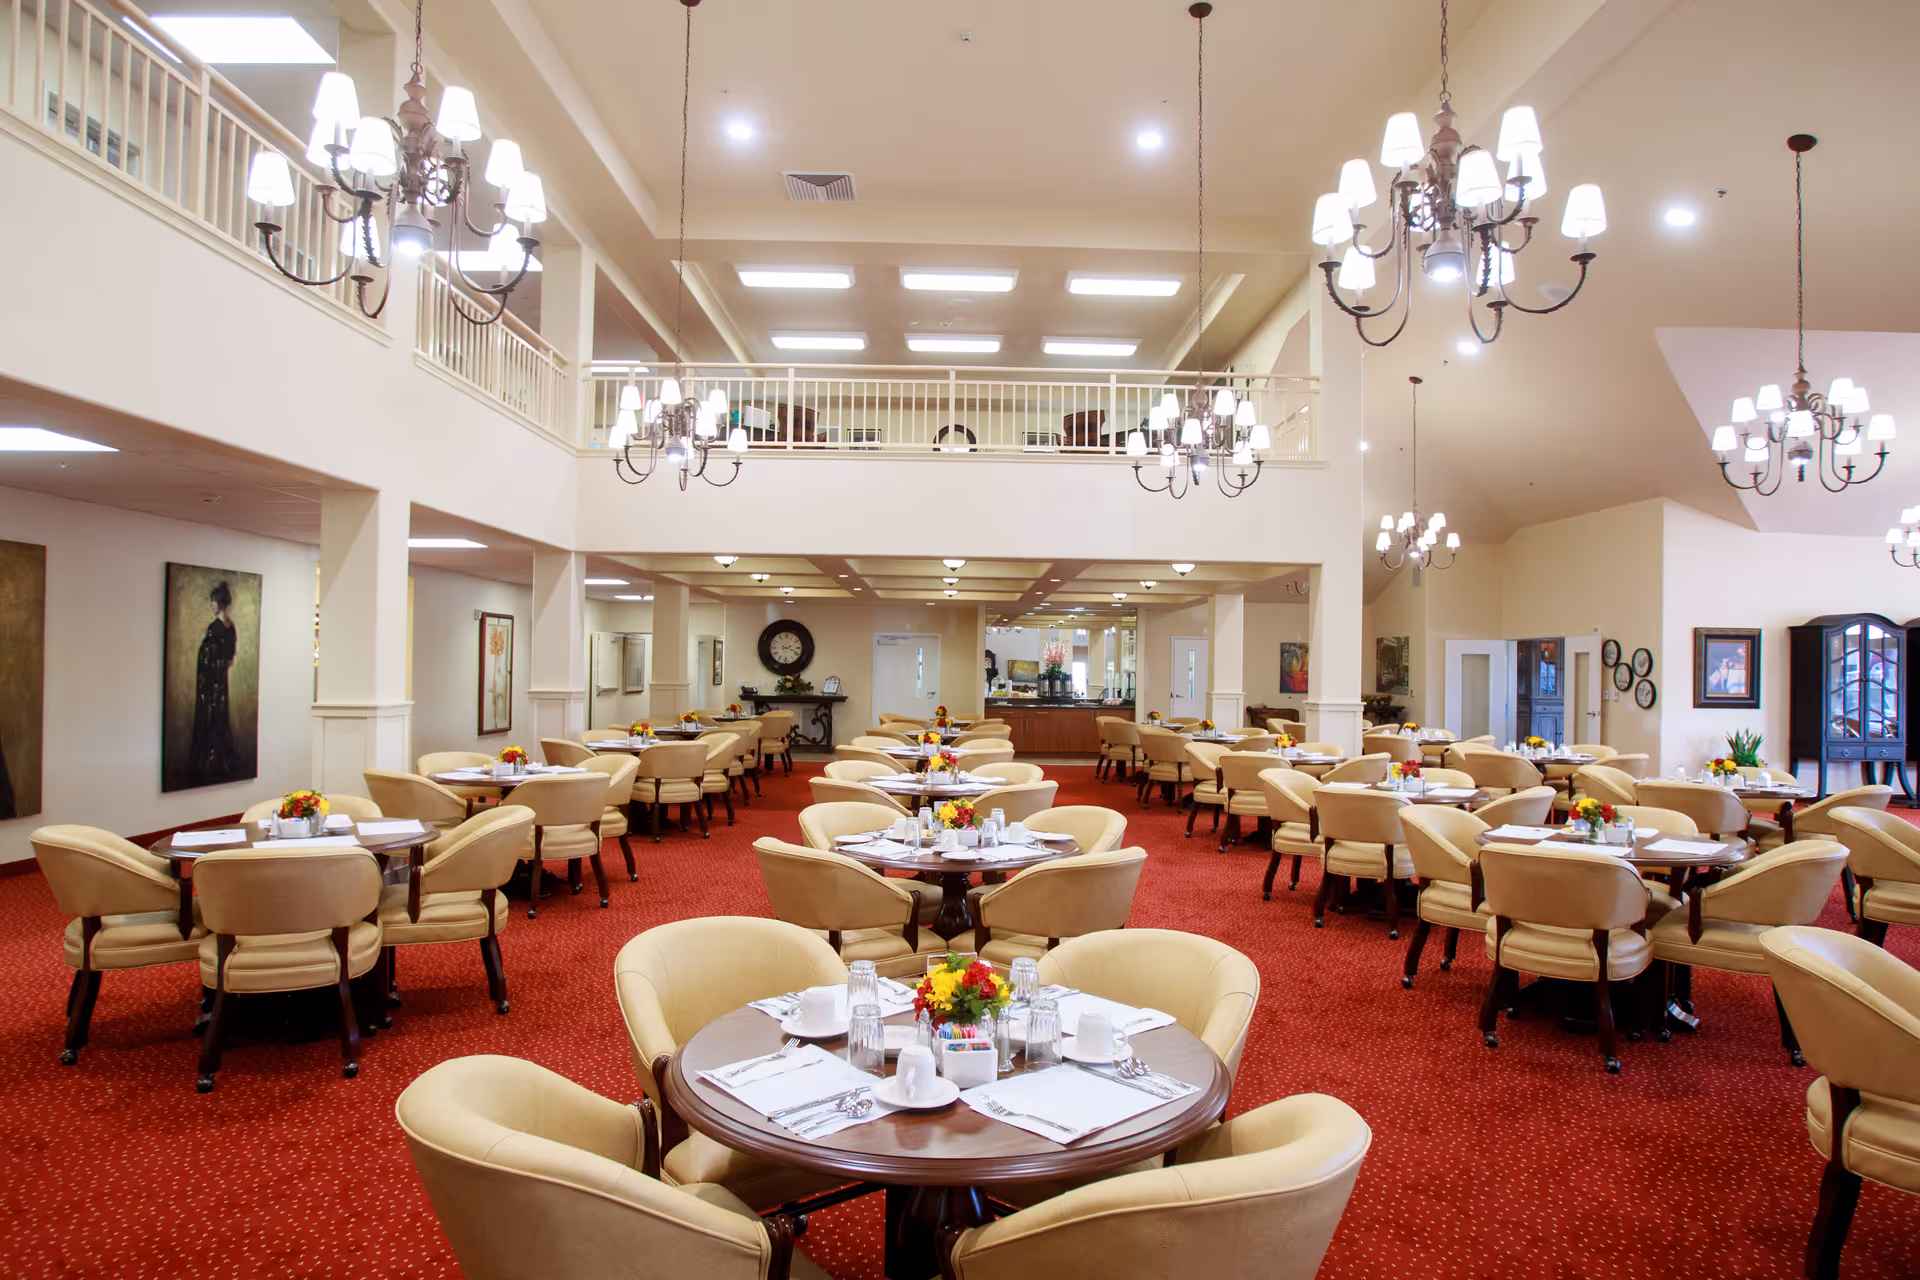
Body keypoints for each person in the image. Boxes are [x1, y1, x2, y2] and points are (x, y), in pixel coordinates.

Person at [188, 581, 241, 782]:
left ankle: (209, 760)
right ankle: (218, 759)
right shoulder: (230, 628)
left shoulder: (215, 628)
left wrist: (208, 669)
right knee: (219, 717)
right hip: (220, 681)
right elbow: (229, 658)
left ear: (220, 603)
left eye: (213, 601)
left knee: (210, 717)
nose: (211, 605)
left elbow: (210, 656)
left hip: (210, 683)